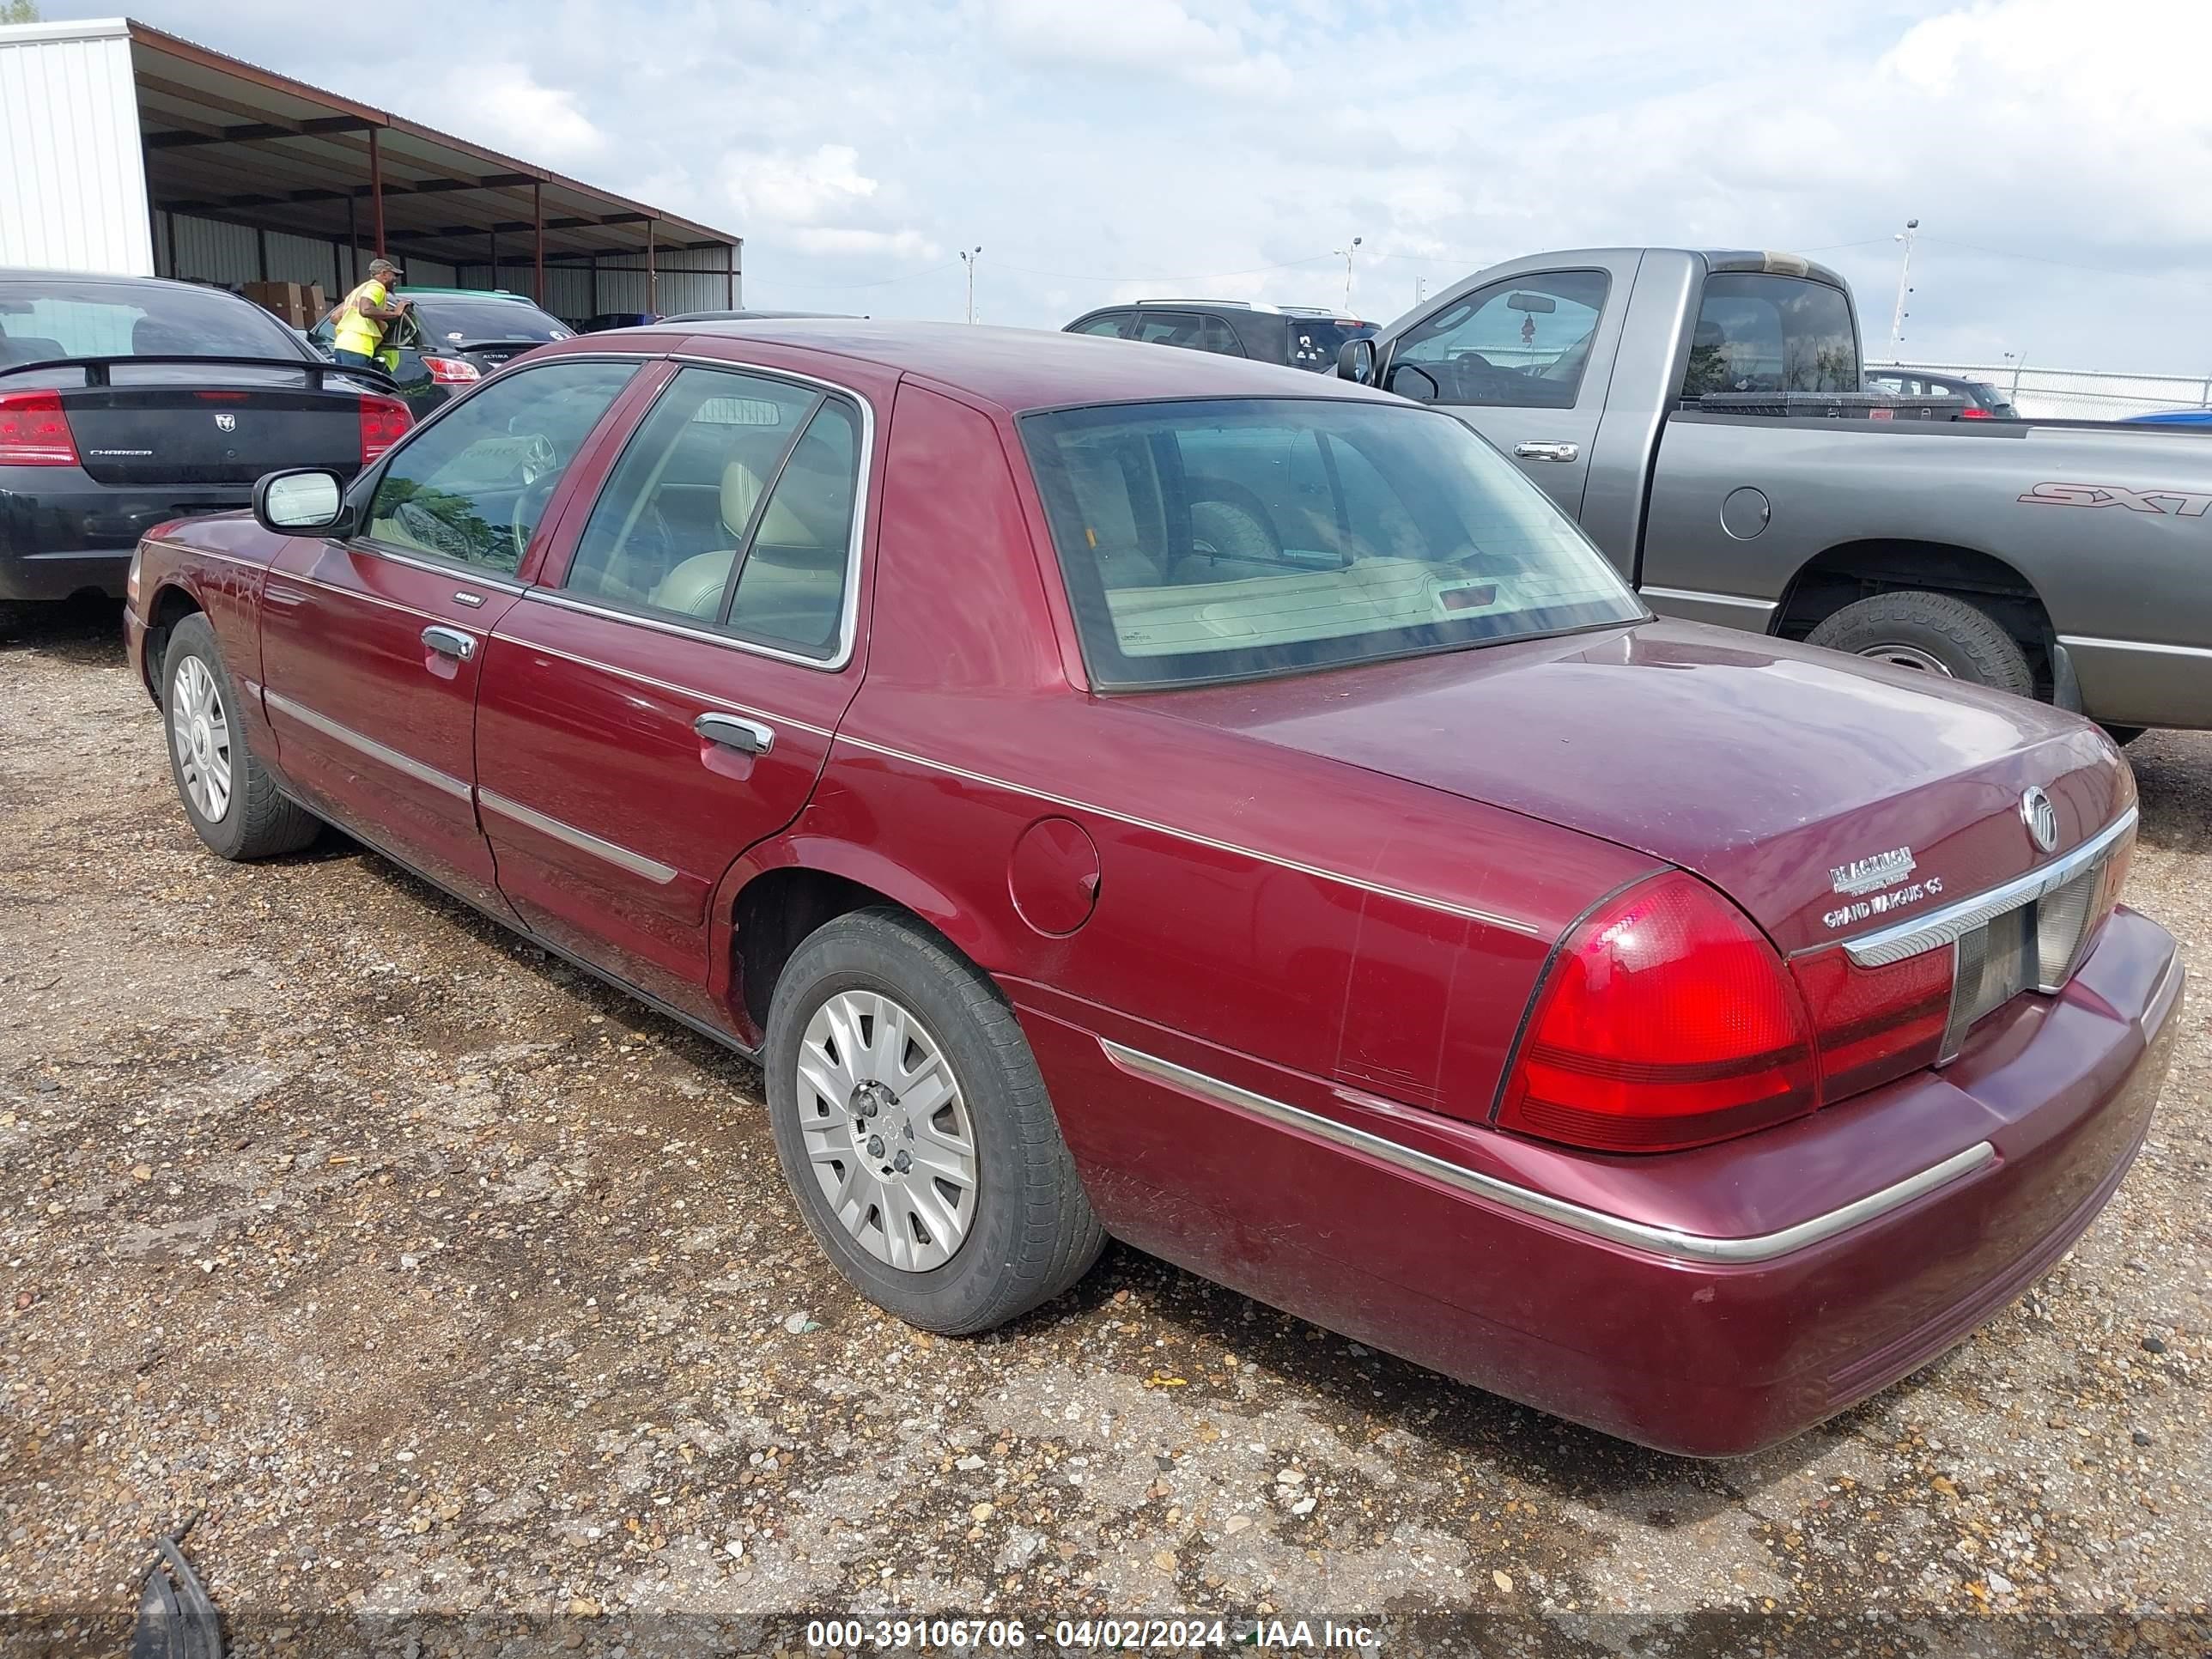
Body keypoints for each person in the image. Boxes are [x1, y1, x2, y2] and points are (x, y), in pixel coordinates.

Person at [326, 258, 409, 370]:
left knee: (348, 386)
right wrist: (395, 313)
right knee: (359, 387)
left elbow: (335, 317)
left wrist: (373, 321)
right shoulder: (377, 287)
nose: (395, 279)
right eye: (393, 275)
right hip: (359, 347)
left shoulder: (358, 290)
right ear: (384, 274)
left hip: (341, 345)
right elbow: (365, 310)